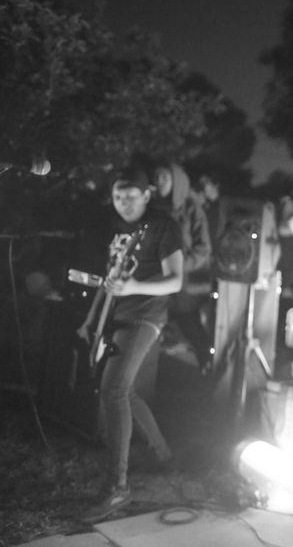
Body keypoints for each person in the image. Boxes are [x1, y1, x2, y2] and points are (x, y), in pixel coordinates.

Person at [76, 167, 183, 522]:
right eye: (118, 197)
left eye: (130, 196)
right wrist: (92, 319)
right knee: (127, 391)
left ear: (147, 195)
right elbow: (111, 281)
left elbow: (176, 281)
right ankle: (163, 455)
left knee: (114, 390)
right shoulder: (119, 228)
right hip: (117, 314)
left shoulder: (164, 226)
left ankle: (117, 487)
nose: (123, 203)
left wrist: (136, 287)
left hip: (146, 315)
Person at [152, 161, 212, 370]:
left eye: (165, 177)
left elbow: (203, 248)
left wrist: (179, 266)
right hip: (157, 282)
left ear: (176, 181)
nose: (159, 182)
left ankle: (206, 368)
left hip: (185, 286)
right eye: (156, 177)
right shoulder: (152, 207)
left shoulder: (191, 209)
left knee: (190, 326)